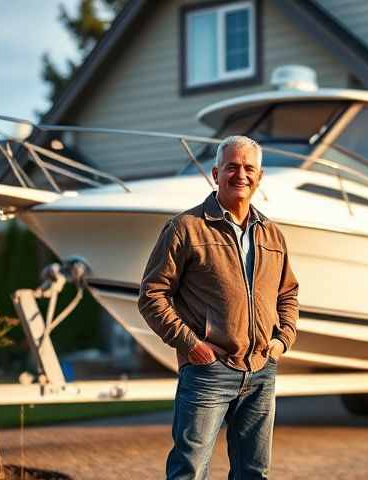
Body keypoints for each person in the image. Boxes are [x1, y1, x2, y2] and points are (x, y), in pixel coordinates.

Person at [138, 135, 299, 480]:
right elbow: (152, 294)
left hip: (261, 370)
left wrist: (281, 341)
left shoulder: (272, 234)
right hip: (208, 371)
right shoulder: (185, 228)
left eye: (248, 168)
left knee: (254, 472)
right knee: (190, 470)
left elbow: (288, 294)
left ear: (259, 177)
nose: (240, 174)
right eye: (232, 167)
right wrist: (191, 344)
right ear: (216, 173)